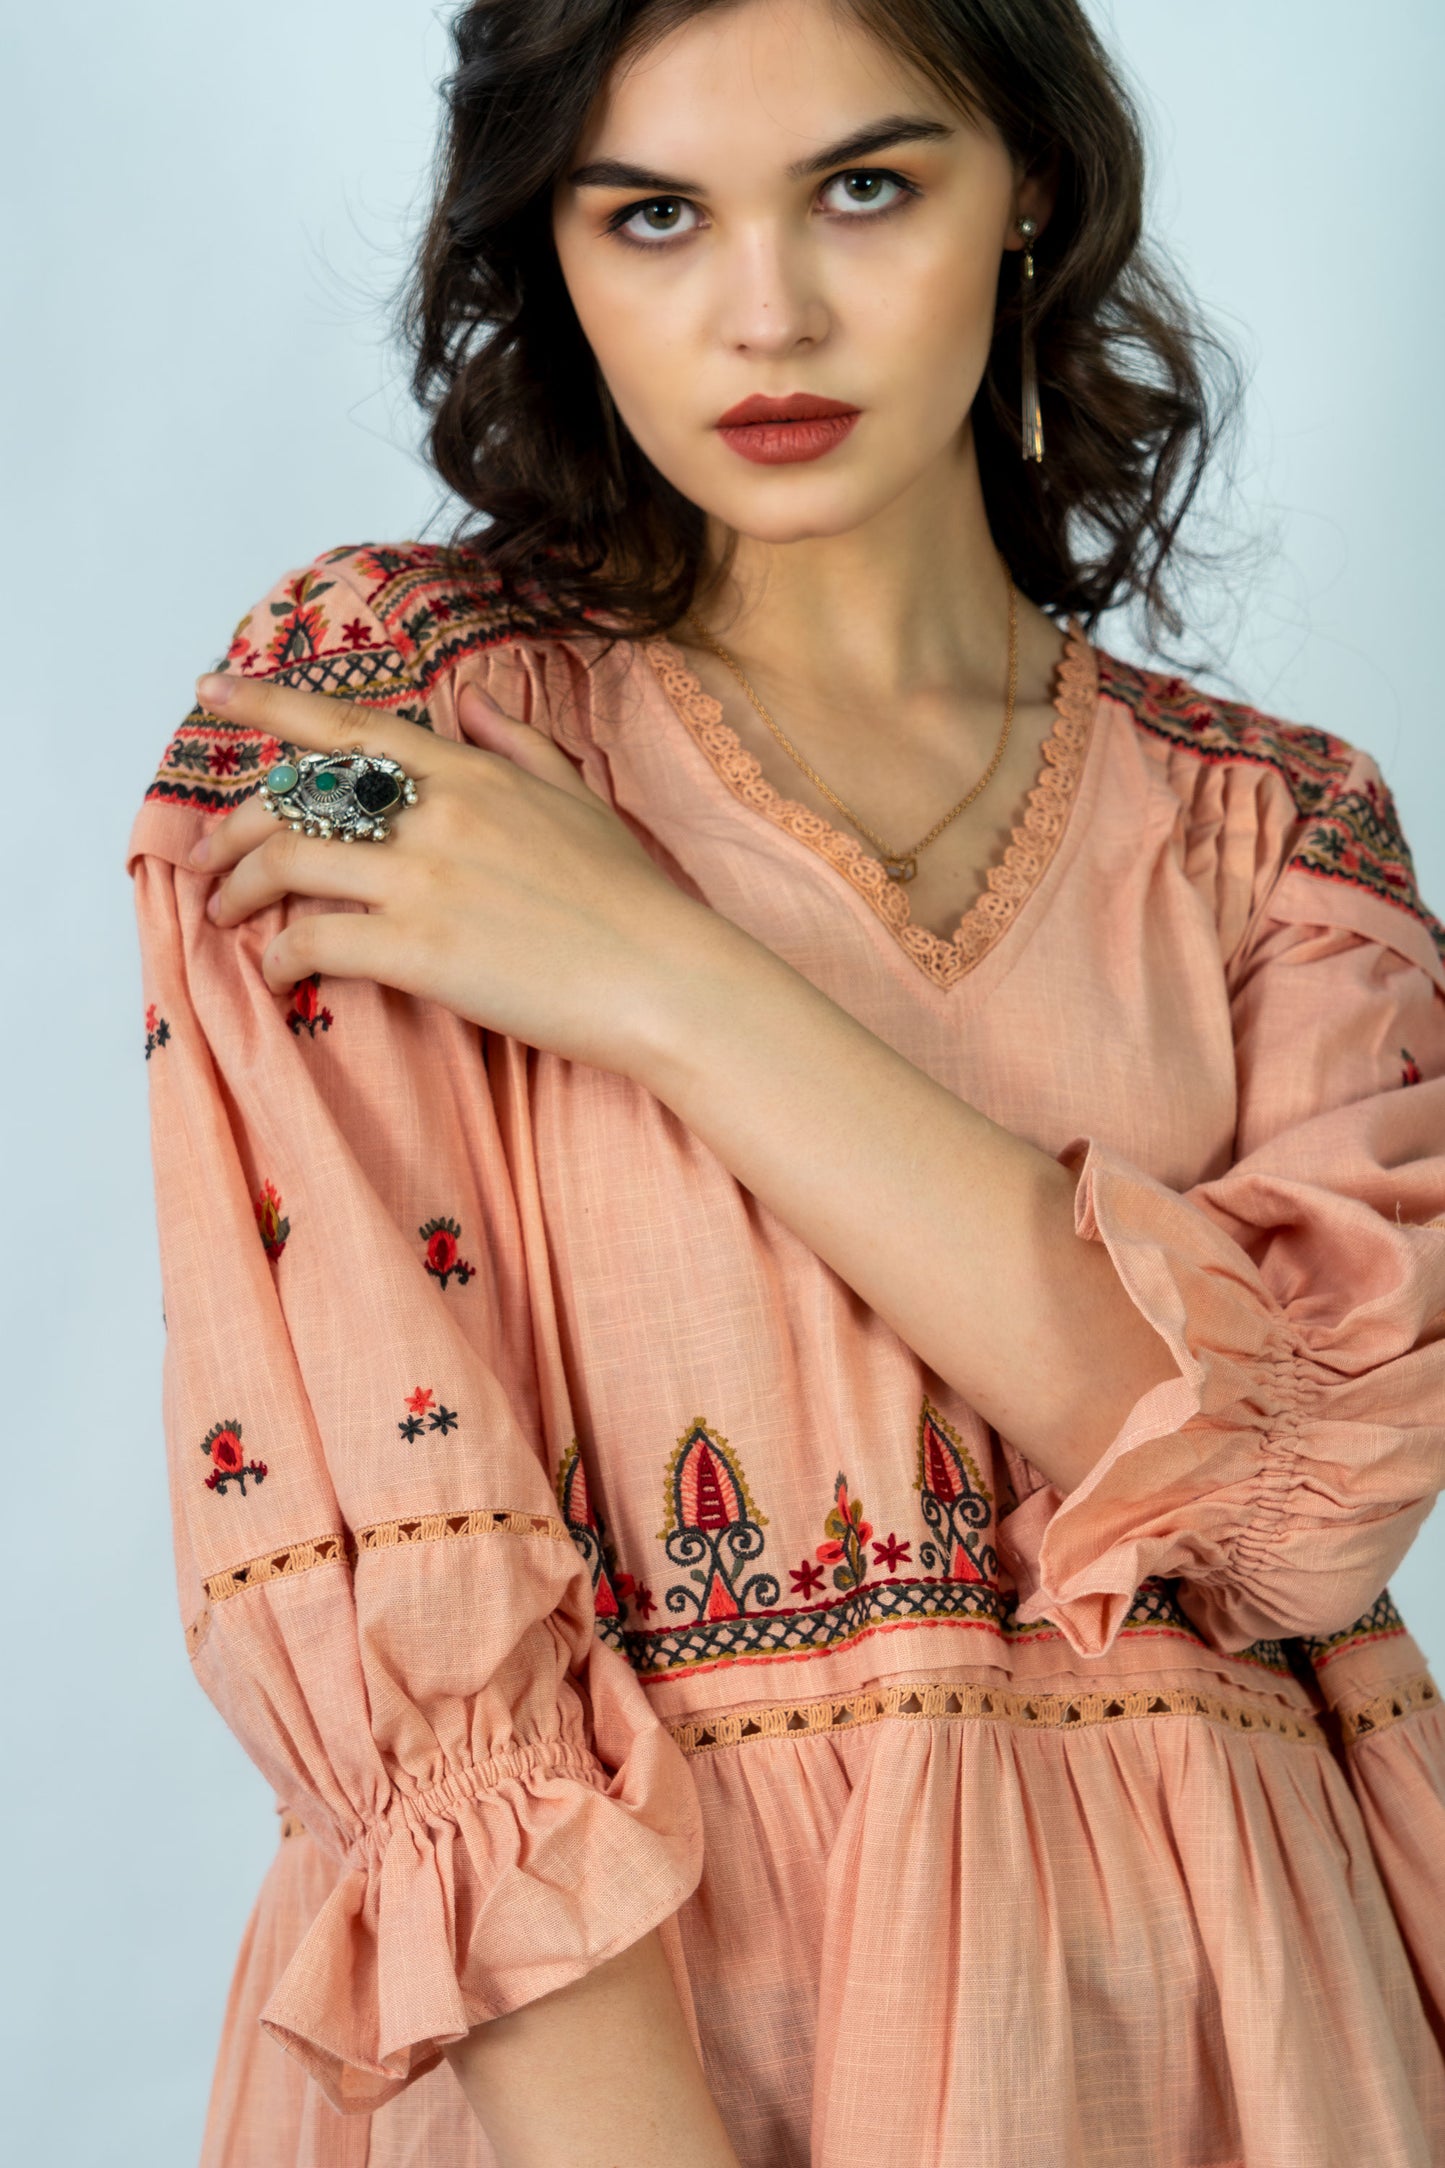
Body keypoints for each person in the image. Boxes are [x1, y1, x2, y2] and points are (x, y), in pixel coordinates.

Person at [127, 1, 1445, 2162]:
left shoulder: (1282, 833)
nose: (767, 312)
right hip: (639, 2075)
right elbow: (433, 1697)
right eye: (652, 214)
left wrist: (659, 976)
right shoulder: (387, 731)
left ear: (1026, 185)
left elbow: (1301, 1516)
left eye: (864, 185)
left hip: (1259, 2049)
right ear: (548, 246)